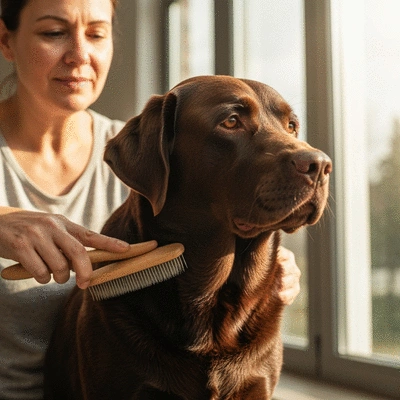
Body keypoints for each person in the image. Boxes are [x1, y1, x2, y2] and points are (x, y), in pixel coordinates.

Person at [0, 0, 301, 398]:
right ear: (6, 40)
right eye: (54, 33)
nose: (79, 54)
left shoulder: (153, 154)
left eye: (96, 34)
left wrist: (265, 266)